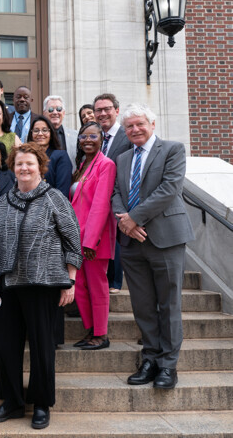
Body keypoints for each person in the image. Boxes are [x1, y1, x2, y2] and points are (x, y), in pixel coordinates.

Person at [0, 143, 82, 430]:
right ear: (12, 168)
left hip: (44, 283)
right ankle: (12, 402)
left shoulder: (54, 198)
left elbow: (73, 241)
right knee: (5, 345)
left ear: (40, 167)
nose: (24, 169)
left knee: (41, 346)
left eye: (30, 164)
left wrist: (70, 281)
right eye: (19, 164)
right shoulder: (4, 200)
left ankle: (41, 404)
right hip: (7, 285)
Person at [112, 104, 195, 390]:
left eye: (139, 124)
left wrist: (134, 218)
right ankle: (150, 358)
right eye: (129, 126)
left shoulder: (172, 150)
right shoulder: (122, 158)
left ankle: (168, 365)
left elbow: (169, 189)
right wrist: (126, 223)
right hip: (132, 243)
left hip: (166, 239)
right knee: (143, 305)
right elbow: (116, 193)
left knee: (168, 304)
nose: (135, 130)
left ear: (152, 124)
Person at [70, 121, 117, 350]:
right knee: (78, 285)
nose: (87, 140)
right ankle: (90, 330)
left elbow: (100, 205)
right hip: (75, 237)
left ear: (101, 139)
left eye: (92, 136)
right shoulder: (82, 165)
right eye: (83, 137)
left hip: (93, 240)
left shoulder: (106, 165)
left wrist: (91, 241)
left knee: (97, 286)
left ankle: (101, 334)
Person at [93, 93, 131, 294]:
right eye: (98, 110)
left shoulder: (127, 136)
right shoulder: (95, 136)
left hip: (120, 198)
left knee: (116, 239)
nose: (102, 113)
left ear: (116, 110)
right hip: (97, 199)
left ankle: (115, 281)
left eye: (107, 109)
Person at [28, 115, 71, 198]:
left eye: (44, 130)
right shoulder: (27, 157)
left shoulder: (60, 156)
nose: (40, 134)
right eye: (36, 130)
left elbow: (62, 192)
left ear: (51, 133)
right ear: (31, 134)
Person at [43, 95, 78, 169]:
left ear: (64, 113)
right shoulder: (36, 136)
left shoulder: (75, 135)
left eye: (59, 109)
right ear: (44, 113)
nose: (55, 112)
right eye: (51, 109)